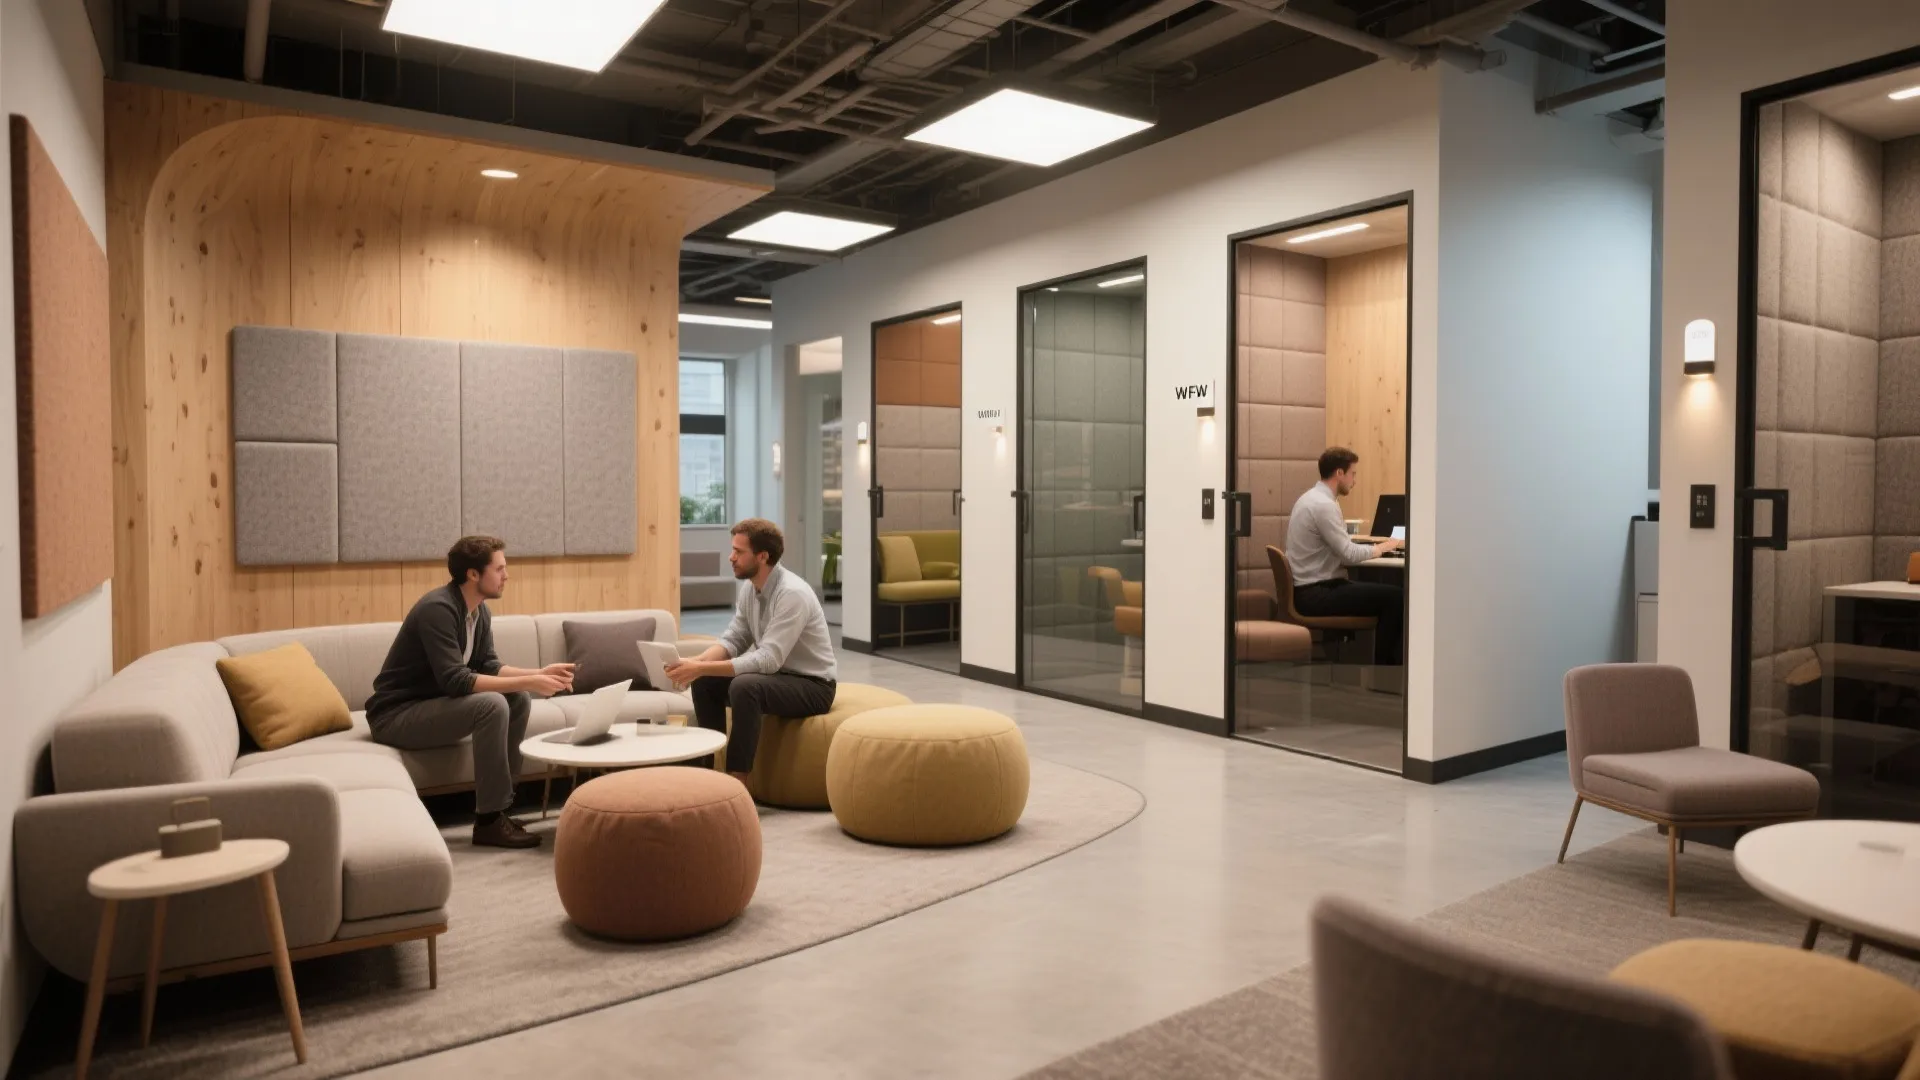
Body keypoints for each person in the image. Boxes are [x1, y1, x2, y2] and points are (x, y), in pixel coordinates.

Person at [366, 535, 575, 849]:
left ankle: (500, 808)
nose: (507, 575)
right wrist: (531, 682)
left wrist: (538, 673)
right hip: (396, 715)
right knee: (491, 704)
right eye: (499, 569)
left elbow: (489, 665)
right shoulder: (437, 609)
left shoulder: (479, 612)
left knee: (516, 699)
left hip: (433, 706)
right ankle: (489, 822)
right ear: (473, 574)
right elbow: (456, 681)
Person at [666, 518, 837, 784]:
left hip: (813, 685)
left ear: (763, 556)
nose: (731, 557)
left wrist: (700, 667)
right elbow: (734, 639)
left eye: (738, 551)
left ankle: (737, 784)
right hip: (779, 677)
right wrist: (694, 663)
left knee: (745, 687)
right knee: (705, 683)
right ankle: (707, 777)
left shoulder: (792, 594)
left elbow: (768, 659)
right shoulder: (750, 588)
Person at [1284, 447, 1406, 666]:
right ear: (1339, 473)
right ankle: (1384, 670)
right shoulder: (1323, 505)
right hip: (1316, 593)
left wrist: (1374, 546)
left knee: (1384, 593)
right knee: (1396, 598)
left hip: (1310, 588)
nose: (1354, 480)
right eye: (1353, 474)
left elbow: (1342, 548)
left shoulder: (1310, 498)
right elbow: (1349, 555)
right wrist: (1384, 547)